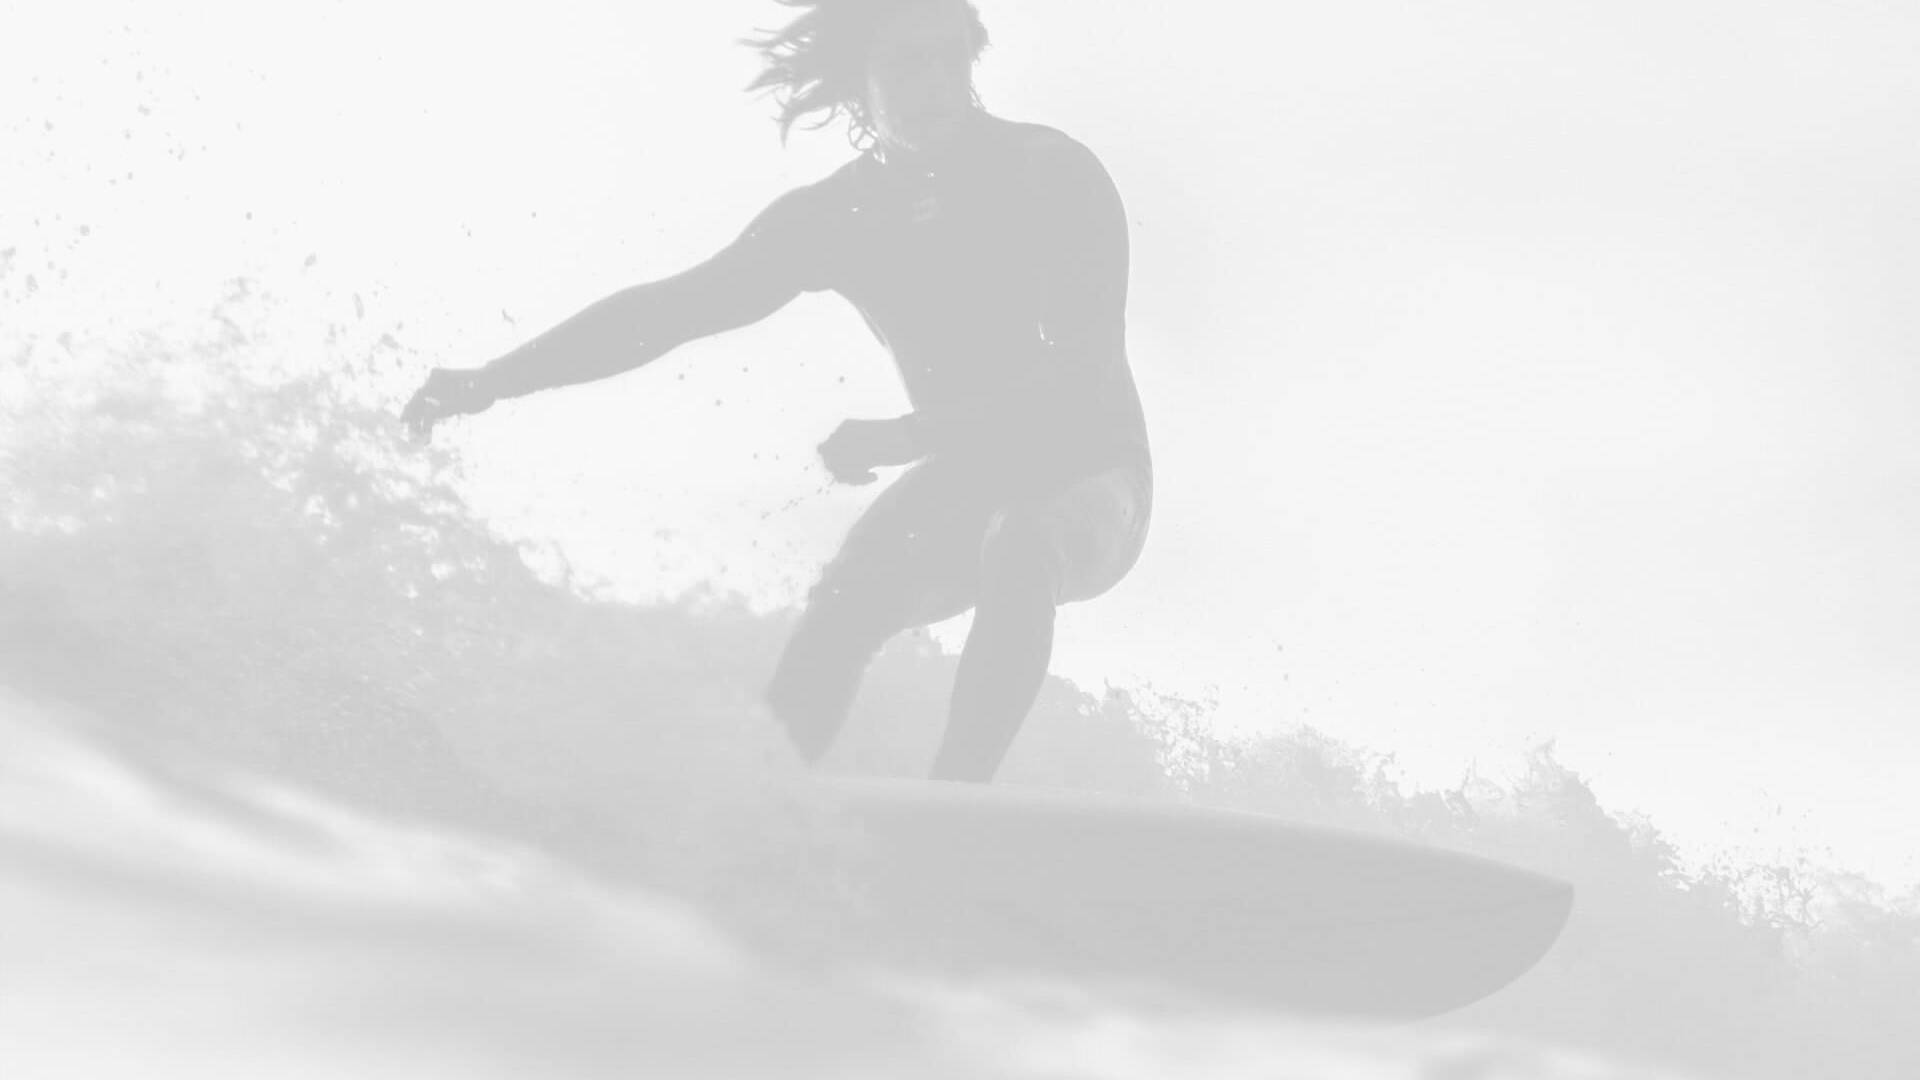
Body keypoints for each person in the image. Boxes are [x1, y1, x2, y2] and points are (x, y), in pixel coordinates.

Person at [402, 0, 1151, 782]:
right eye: (906, 64)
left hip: (1090, 468)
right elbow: (671, 311)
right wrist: (496, 379)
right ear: (858, 81)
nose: (935, 82)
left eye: (949, 58)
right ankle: (759, 812)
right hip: (963, 472)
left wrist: (909, 434)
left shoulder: (1047, 171)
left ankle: (956, 805)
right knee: (845, 604)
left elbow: (1079, 378)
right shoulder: (838, 216)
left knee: (1022, 542)